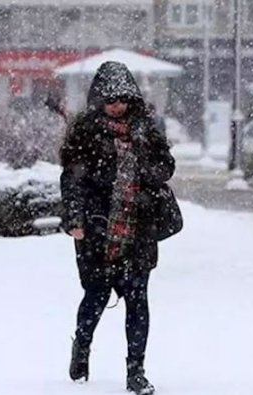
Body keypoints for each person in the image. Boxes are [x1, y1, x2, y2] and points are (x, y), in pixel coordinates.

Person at [59, 61, 177, 395]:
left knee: (138, 301)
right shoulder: (86, 131)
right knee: (95, 297)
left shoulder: (145, 129)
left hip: (137, 227)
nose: (117, 105)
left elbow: (166, 165)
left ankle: (135, 370)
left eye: (123, 99)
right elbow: (73, 180)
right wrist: (74, 219)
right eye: (111, 99)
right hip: (99, 229)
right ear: (99, 99)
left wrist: (150, 172)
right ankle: (82, 346)